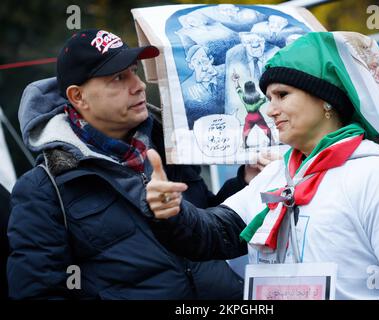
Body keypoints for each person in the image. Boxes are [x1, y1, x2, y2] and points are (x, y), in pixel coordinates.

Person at [146, 31, 379, 300]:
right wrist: (172, 213)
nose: (269, 109)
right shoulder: (279, 174)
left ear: (326, 100)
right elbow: (213, 236)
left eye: (282, 95)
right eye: (267, 97)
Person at [6, 29, 274, 300]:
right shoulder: (44, 188)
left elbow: (207, 222)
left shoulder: (169, 145)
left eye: (134, 71)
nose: (139, 85)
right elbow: (37, 291)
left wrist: (245, 183)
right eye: (119, 77)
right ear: (78, 97)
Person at [181, 45, 225, 129]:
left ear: (211, 59)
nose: (204, 68)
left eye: (204, 61)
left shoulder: (227, 71)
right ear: (191, 66)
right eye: (197, 63)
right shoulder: (184, 89)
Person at [231, 73, 273, 148]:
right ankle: (270, 141)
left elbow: (238, 89)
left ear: (246, 89)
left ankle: (244, 144)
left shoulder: (243, 98)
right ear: (254, 88)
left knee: (246, 130)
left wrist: (236, 81)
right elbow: (267, 97)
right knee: (265, 128)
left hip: (249, 117)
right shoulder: (259, 100)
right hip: (258, 115)